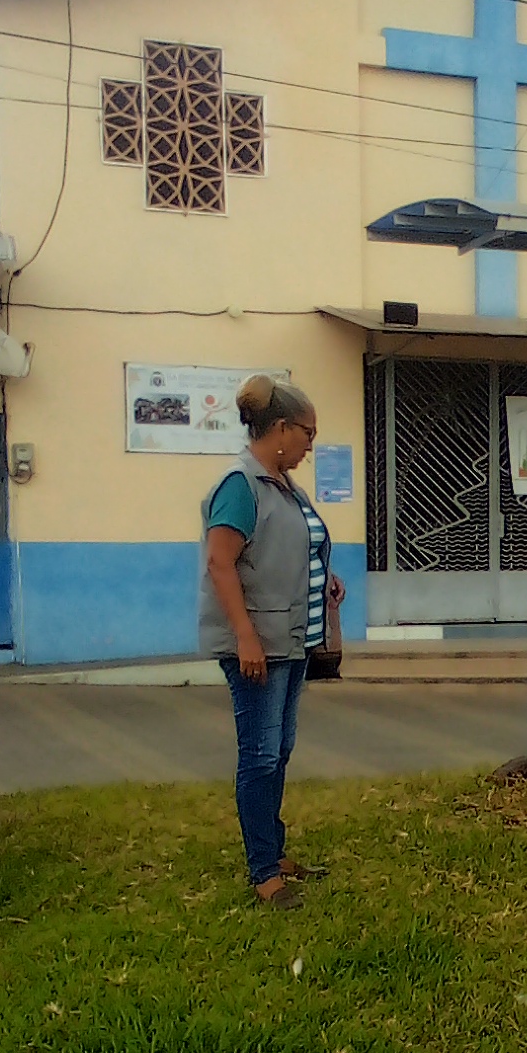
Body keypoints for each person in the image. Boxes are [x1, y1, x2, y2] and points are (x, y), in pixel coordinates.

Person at [198, 375, 345, 907]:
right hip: (259, 646)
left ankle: (274, 850)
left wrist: (323, 578)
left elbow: (286, 549)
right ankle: (263, 872)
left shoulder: (283, 485)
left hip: (292, 640)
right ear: (280, 428)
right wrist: (245, 637)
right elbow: (220, 562)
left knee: (278, 750)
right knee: (259, 756)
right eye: (307, 433)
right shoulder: (241, 485)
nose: (310, 445)